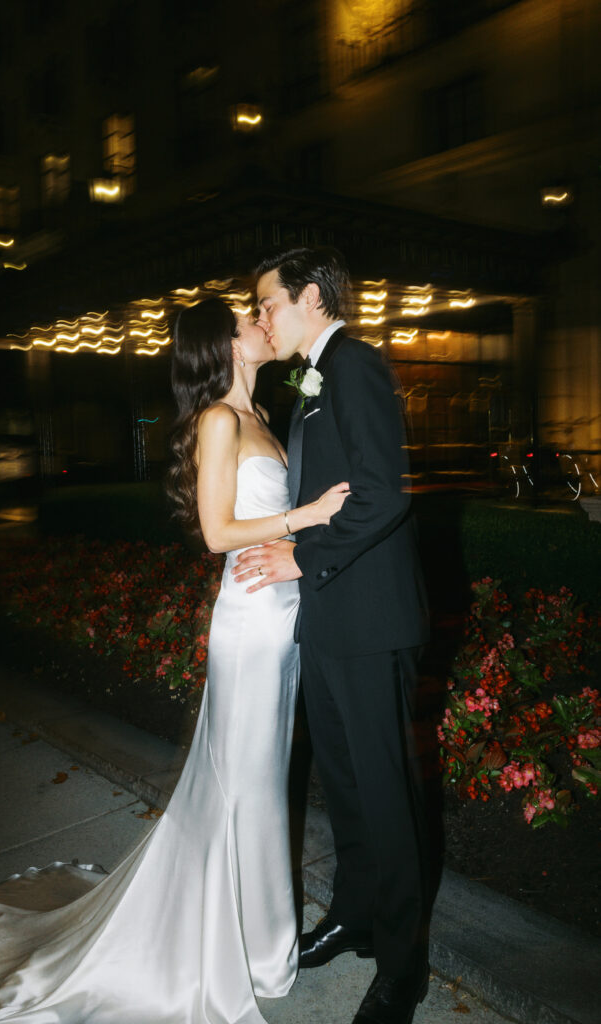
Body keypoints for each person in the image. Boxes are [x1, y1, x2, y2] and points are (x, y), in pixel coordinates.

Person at [0, 297, 347, 1024]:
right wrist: (303, 519)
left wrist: (300, 545)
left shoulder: (263, 418)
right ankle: (225, 951)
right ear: (226, 346)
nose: (261, 326)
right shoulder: (218, 419)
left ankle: (256, 940)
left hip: (281, 622)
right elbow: (217, 533)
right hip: (248, 627)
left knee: (261, 784)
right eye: (249, 322)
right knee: (243, 786)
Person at [233, 248, 431, 1024]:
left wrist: (297, 555)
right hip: (329, 615)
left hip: (370, 617)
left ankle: (402, 969)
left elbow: (384, 495)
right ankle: (355, 917)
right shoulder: (314, 378)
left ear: (310, 297)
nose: (260, 319)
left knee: (383, 794)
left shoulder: (352, 364)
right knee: (346, 786)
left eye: (267, 304)